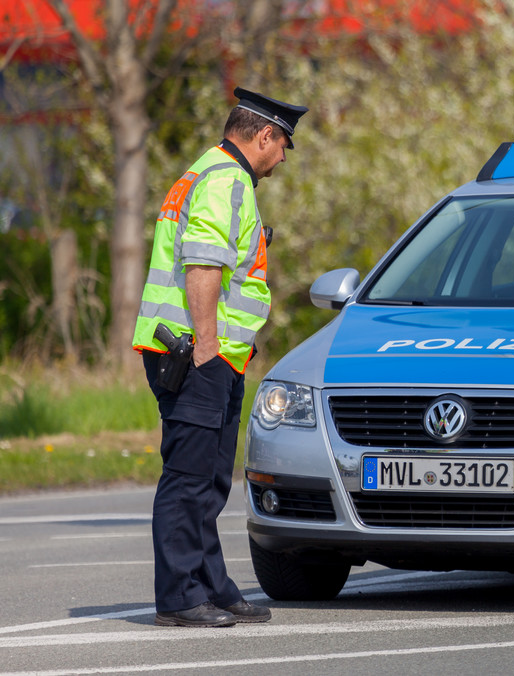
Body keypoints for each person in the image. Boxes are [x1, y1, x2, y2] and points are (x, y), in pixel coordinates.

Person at [131, 87, 307, 628]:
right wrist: (208, 348)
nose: (282, 158)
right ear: (264, 136)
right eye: (283, 146)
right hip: (196, 354)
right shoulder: (225, 180)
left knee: (208, 479)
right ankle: (181, 597)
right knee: (188, 478)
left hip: (211, 355)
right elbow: (203, 266)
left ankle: (213, 586)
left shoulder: (208, 173)